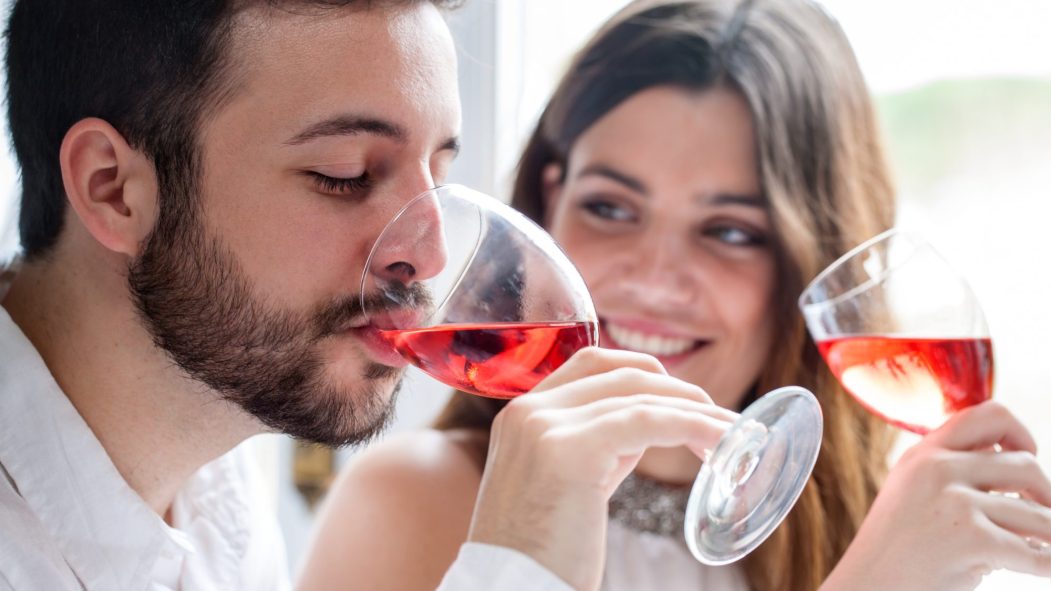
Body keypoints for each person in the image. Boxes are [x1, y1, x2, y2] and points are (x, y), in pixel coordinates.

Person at [300, 1, 1051, 590]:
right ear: (549, 204)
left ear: (809, 266)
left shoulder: (890, 524)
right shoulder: (417, 505)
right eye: (611, 208)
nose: (653, 276)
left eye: (728, 232)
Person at [0, 1, 749, 590]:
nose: (426, 257)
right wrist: (519, 566)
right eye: (346, 174)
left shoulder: (216, 476)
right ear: (114, 189)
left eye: (438, 176)